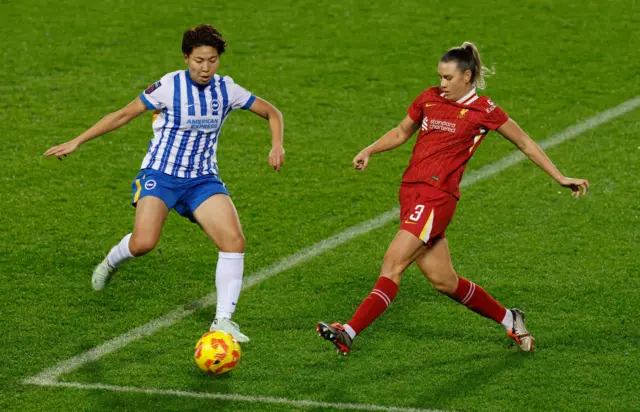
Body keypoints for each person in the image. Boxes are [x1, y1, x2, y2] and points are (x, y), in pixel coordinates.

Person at [316, 41, 589, 355]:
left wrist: (559, 176)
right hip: (411, 193)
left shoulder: (483, 110)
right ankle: (509, 319)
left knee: (392, 264)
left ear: (467, 77)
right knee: (444, 281)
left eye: (448, 78)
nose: (441, 83)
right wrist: (369, 149)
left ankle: (348, 331)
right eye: (440, 76)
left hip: (436, 198)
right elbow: (401, 131)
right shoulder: (429, 98)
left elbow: (524, 142)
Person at [44, 24, 285, 342]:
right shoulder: (168, 87)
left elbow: (272, 112)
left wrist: (277, 145)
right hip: (160, 176)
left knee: (234, 242)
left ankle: (223, 321)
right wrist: (77, 141)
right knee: (144, 243)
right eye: (199, 60)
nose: (205, 67)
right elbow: (122, 115)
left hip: (202, 180)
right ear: (186, 57)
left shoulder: (227, 90)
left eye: (212, 60)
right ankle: (111, 260)